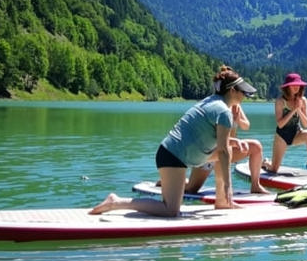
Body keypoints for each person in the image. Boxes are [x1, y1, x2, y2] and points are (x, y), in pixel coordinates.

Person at [90, 66, 259, 217]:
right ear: (232, 91)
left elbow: (208, 136)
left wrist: (233, 141)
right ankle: (116, 202)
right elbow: (222, 150)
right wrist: (229, 184)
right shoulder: (223, 112)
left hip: (181, 153)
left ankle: (222, 201)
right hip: (173, 156)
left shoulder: (213, 102)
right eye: (242, 91)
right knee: (170, 210)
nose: (244, 95)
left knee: (226, 152)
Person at [184, 98, 268, 195]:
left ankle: (255, 186)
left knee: (256, 147)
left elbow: (246, 126)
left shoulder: (236, 106)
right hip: (211, 153)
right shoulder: (215, 107)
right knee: (190, 190)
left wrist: (238, 119)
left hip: (229, 150)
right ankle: (172, 182)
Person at [268, 72, 307, 174]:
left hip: (296, 133)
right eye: (293, 85)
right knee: (274, 170)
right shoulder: (280, 101)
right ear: (287, 87)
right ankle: (266, 163)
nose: (296, 87)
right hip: (282, 136)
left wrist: (299, 109)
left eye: (298, 85)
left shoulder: (303, 100)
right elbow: (280, 124)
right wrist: (294, 110)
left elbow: (306, 123)